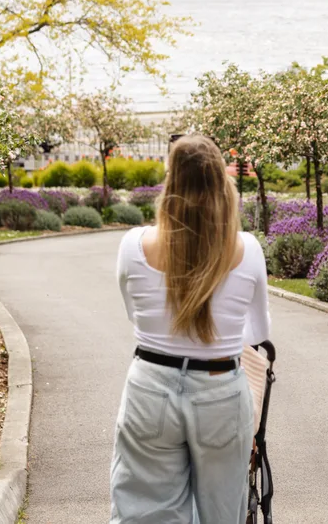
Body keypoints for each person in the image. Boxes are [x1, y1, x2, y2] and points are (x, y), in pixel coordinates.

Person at [111, 133, 271, 524]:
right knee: (222, 514)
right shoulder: (247, 249)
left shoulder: (133, 246)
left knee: (144, 513)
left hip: (151, 383)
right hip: (219, 387)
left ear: (170, 182)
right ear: (222, 182)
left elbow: (134, 315)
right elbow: (258, 331)